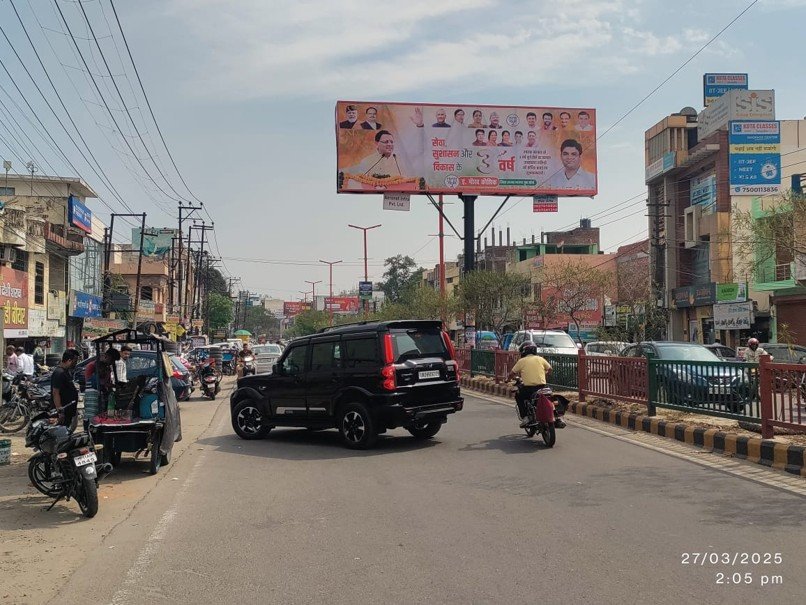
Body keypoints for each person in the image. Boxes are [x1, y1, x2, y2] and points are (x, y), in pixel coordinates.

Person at [507, 342, 565, 428]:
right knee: (551, 398)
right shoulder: (540, 359)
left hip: (529, 389)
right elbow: (550, 369)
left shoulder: (521, 361)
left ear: (524, 351)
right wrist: (544, 375)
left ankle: (525, 417)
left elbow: (512, 373)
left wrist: (508, 379)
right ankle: (558, 418)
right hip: (543, 387)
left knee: (518, 396)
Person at [51, 349, 80, 428]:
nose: (76, 363)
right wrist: (60, 412)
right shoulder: (59, 373)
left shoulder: (66, 372)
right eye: (75, 361)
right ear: (69, 360)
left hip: (69, 411)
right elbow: (55, 393)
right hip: (63, 412)